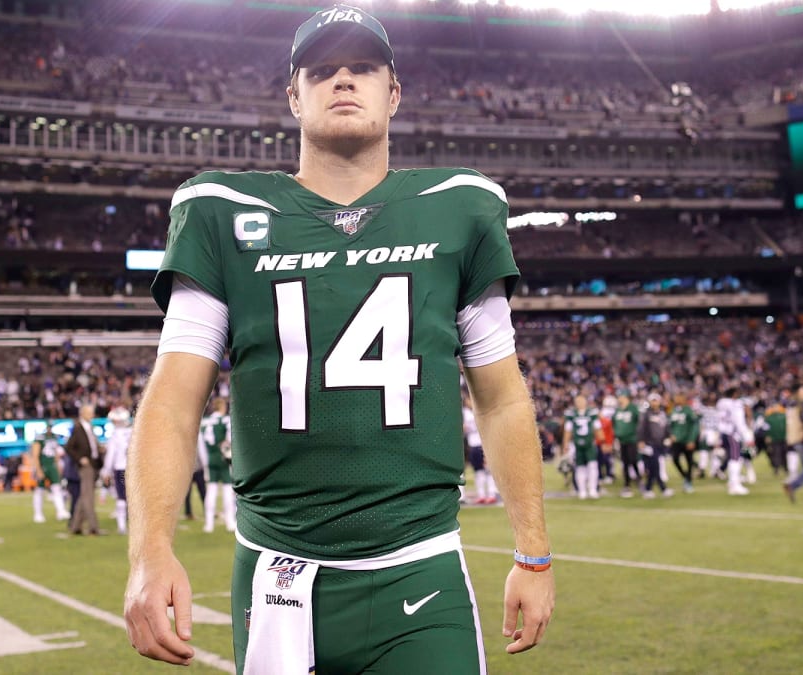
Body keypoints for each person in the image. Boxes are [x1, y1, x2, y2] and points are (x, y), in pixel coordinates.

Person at [124, 6, 555, 672]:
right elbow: (173, 403)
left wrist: (533, 550)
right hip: (276, 577)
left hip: (422, 567)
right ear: (294, 95)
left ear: (394, 91)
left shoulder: (460, 207)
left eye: (364, 68)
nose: (344, 80)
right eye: (322, 70)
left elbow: (501, 398)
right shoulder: (220, 213)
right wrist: (150, 551)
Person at [65, 403, 103, 535]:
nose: (92, 414)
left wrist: (100, 449)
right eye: (90, 412)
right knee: (88, 497)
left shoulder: (89, 427)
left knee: (83, 496)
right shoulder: (78, 428)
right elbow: (69, 447)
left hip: (93, 464)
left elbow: (91, 445)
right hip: (86, 466)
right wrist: (80, 458)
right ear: (83, 413)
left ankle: (76, 526)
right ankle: (93, 527)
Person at [199, 398, 236, 532]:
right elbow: (230, 441)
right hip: (224, 459)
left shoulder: (204, 422)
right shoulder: (226, 420)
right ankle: (230, 521)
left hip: (210, 459)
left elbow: (201, 445)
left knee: (211, 491)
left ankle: (209, 524)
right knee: (227, 491)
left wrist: (205, 462)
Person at [564, 394, 603, 500]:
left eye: (581, 401)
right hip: (577, 445)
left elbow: (598, 428)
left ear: (586, 401)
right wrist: (565, 444)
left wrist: (604, 442)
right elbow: (568, 430)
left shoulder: (592, 412)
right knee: (580, 468)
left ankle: (593, 489)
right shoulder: (571, 414)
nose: (580, 403)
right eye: (578, 401)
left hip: (590, 444)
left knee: (593, 466)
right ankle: (582, 490)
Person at [103, 407, 133, 535]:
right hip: (133, 469)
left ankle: (122, 526)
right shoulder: (133, 432)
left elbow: (111, 455)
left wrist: (106, 471)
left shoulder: (115, 435)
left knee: (121, 497)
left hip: (121, 468)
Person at [638, 392, 673, 498]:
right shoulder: (646, 414)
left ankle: (649, 489)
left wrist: (669, 436)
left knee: (654, 468)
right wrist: (641, 440)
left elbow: (666, 427)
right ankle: (661, 488)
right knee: (655, 466)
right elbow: (641, 428)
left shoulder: (662, 413)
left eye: (656, 400)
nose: (654, 403)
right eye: (652, 400)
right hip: (649, 444)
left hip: (660, 444)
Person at [31, 434, 69, 524]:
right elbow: (35, 455)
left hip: (52, 466)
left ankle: (61, 510)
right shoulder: (39, 438)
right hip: (43, 465)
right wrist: (38, 469)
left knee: (57, 488)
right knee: (40, 490)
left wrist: (57, 465)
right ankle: (38, 513)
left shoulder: (53, 438)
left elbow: (55, 453)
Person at [667, 391, 700, 493]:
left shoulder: (688, 410)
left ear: (683, 399)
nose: (676, 399)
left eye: (679, 397)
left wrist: (691, 440)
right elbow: (669, 425)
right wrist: (671, 435)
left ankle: (688, 482)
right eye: (676, 397)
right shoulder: (673, 411)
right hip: (676, 440)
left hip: (687, 441)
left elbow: (695, 426)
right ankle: (686, 476)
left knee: (689, 461)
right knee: (675, 459)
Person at [611, 389, 640, 498]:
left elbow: (639, 422)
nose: (619, 399)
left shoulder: (633, 409)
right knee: (625, 462)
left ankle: (638, 478)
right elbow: (614, 423)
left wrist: (638, 436)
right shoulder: (618, 410)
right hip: (621, 440)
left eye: (621, 396)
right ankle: (627, 483)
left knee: (633, 460)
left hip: (632, 439)